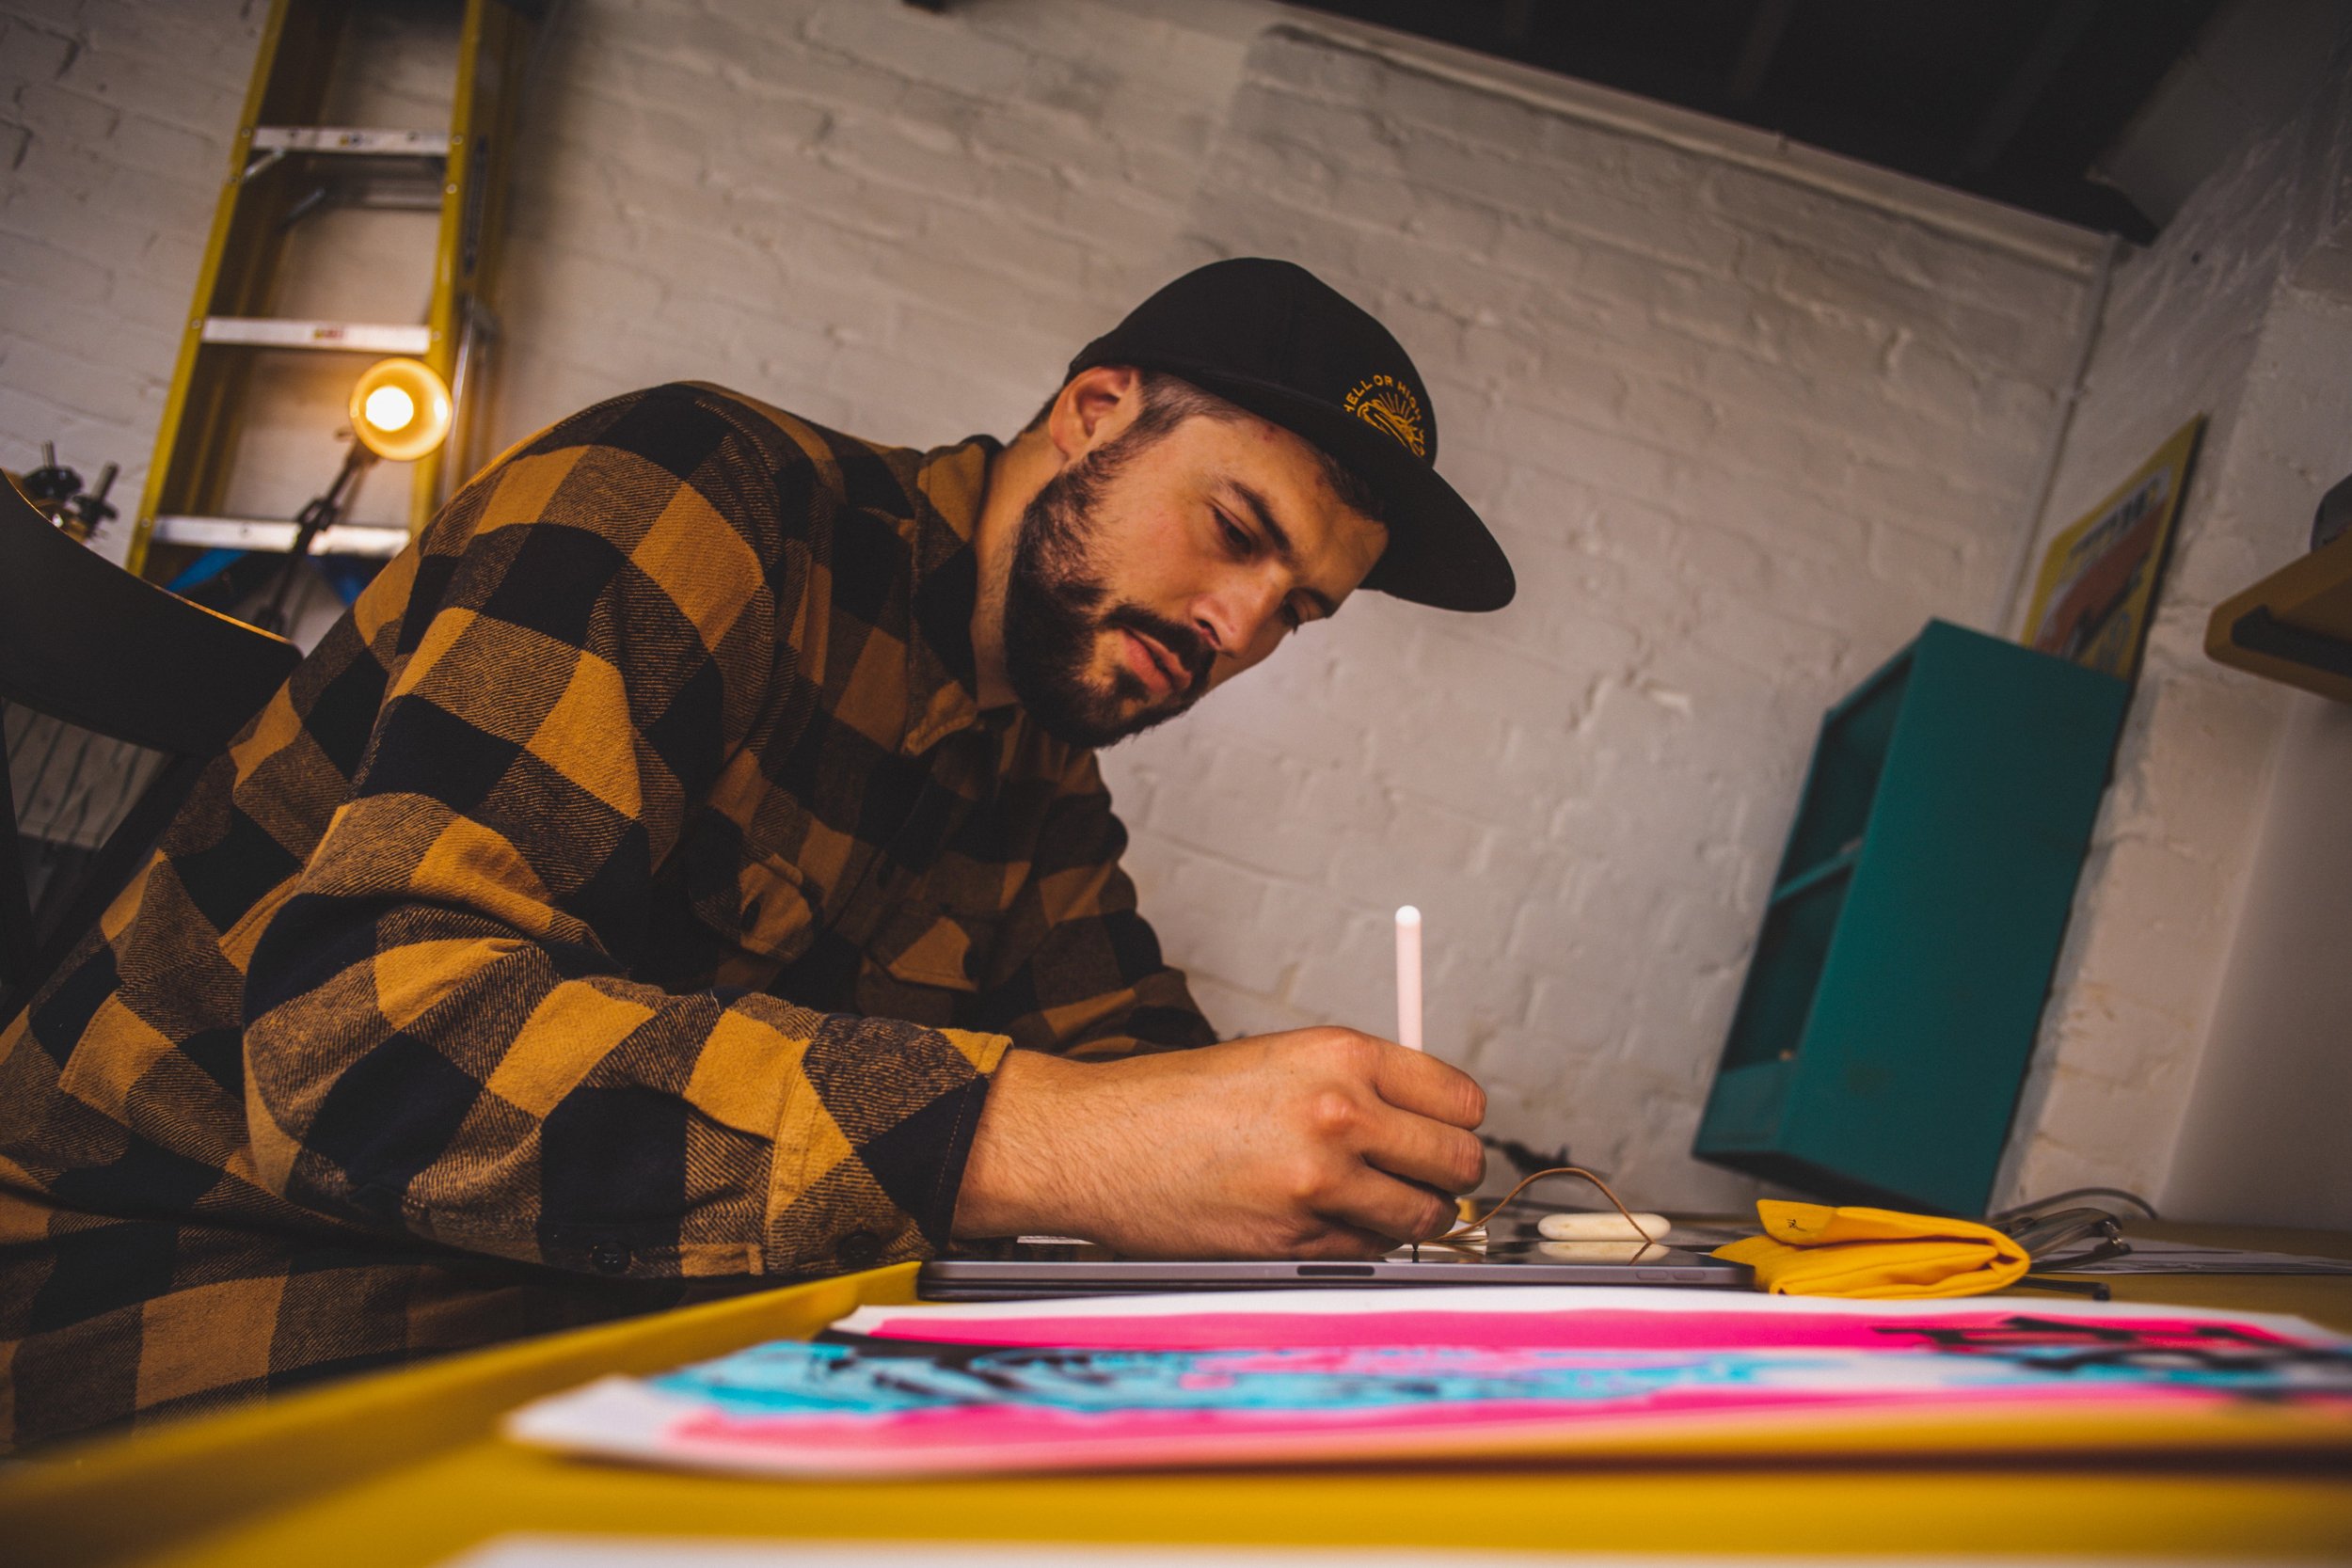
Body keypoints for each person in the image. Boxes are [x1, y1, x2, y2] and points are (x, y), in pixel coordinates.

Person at [0, 258, 1516, 1450]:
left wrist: (1314, 1169)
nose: (1242, 630)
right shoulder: (695, 497)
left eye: (1299, 611)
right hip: (162, 1302)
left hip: (580, 1326)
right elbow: (366, 1052)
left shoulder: (1034, 770)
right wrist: (1041, 1139)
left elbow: (1147, 1082)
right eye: (1238, 530)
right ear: (1097, 411)